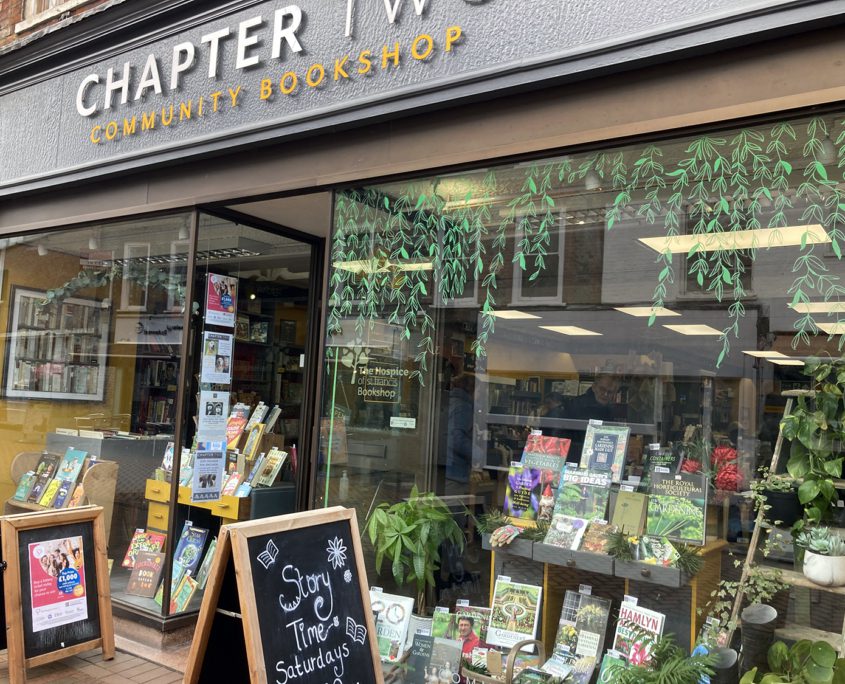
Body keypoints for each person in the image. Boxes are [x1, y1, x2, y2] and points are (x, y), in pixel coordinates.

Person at [548, 371, 622, 462]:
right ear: (594, 387)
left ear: (615, 394)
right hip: (572, 459)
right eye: (602, 389)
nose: (605, 394)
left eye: (610, 392)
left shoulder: (609, 411)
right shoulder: (575, 405)